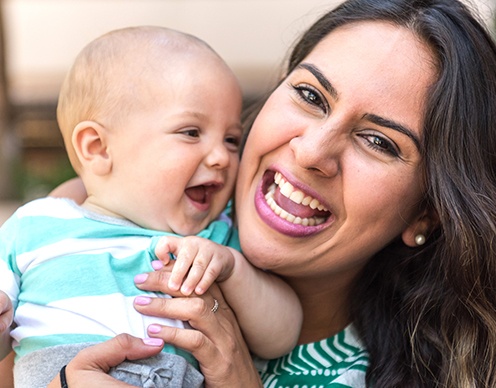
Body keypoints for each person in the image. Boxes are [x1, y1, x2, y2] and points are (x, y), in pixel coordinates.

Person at [18, 0, 496, 386]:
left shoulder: (353, 376)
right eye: (311, 96)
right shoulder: (121, 207)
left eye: (379, 142)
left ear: (426, 215)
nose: (312, 152)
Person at [0, 26, 303, 387]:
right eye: (191, 132)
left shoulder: (213, 241)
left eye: (232, 139)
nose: (222, 156)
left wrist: (232, 268)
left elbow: (281, 335)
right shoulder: (36, 225)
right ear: (97, 147)